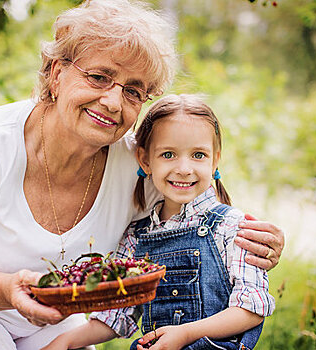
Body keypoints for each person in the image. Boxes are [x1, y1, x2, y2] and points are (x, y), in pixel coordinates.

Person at [0, 1, 284, 349]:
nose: (113, 101)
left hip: (51, 314)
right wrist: (9, 289)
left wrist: (260, 241)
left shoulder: (138, 166)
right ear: (57, 73)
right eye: (98, 77)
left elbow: (198, 211)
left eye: (133, 90)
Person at [42, 94, 275, 350]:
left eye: (198, 155)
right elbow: (118, 316)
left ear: (215, 160)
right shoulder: (136, 236)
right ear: (145, 160)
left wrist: (185, 334)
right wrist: (64, 341)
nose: (184, 168)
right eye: (168, 154)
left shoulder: (233, 227)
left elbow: (251, 309)